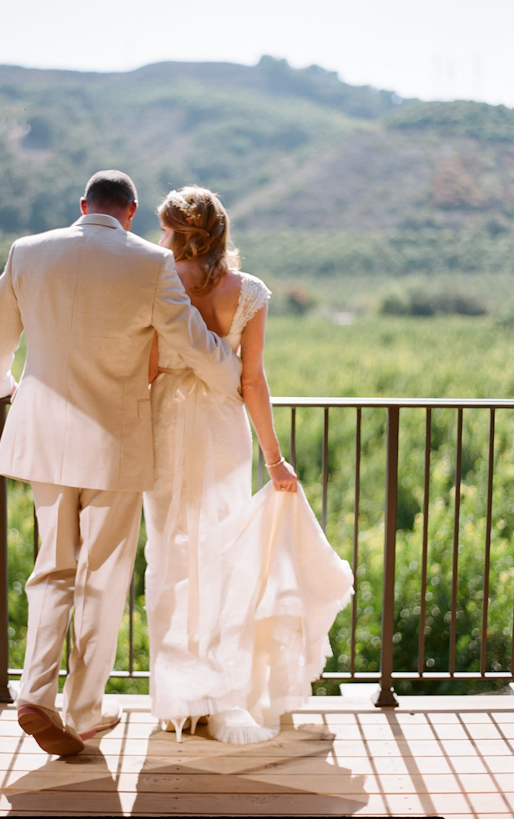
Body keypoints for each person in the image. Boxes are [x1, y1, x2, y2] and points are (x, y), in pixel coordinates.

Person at [0, 171, 243, 756]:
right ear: (132, 211)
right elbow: (193, 343)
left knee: (51, 568)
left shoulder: (28, 252)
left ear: (82, 206)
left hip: (41, 434)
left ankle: (34, 693)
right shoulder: (150, 264)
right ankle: (86, 710)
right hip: (116, 440)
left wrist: (4, 390)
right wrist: (234, 376)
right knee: (103, 576)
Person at [144, 186, 353, 744]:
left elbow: (145, 369)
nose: (160, 239)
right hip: (224, 432)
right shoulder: (251, 293)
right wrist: (275, 459)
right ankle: (221, 693)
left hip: (165, 428)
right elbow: (252, 380)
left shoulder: (156, 282)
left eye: (165, 229)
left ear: (176, 233)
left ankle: (180, 701)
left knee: (169, 559)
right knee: (223, 556)